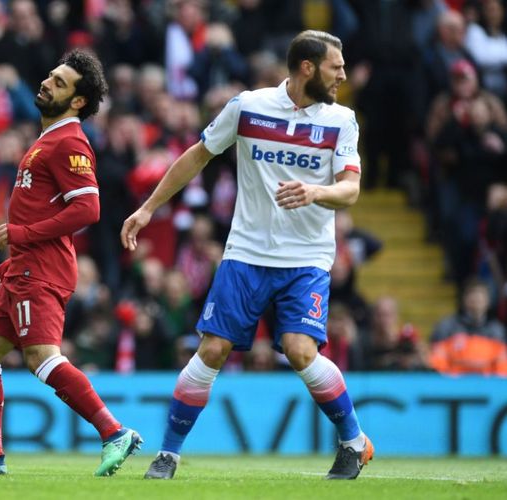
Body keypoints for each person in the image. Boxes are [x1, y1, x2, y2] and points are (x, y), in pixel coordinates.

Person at [121, 30, 373, 480]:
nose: (343, 75)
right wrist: (147, 209)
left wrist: (316, 191)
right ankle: (168, 454)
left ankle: (353, 442)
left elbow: (351, 188)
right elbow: (197, 156)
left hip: (307, 257)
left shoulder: (342, 120)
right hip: (246, 253)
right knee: (213, 349)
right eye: (336, 67)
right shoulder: (248, 106)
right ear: (307, 68)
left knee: (299, 350)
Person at [0, 49, 141, 477]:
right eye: (51, 75)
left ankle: (114, 432)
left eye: (60, 82)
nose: (48, 82)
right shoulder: (47, 138)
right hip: (22, 268)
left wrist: (21, 234)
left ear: (78, 102)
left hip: (42, 268)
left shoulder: (70, 141)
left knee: (41, 357)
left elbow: (88, 209)